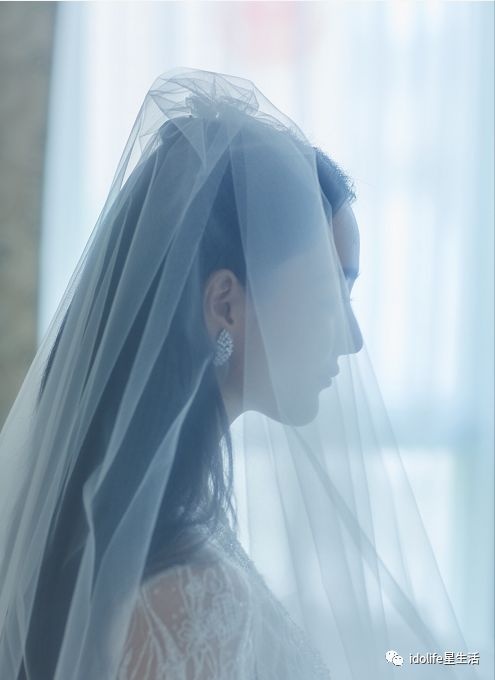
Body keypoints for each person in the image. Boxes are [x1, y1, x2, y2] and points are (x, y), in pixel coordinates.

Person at [0, 68, 479, 680]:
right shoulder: (190, 595)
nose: (352, 339)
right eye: (331, 296)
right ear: (225, 302)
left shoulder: (131, 534)